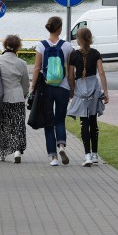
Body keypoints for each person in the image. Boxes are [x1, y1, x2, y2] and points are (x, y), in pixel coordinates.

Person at [31, 16, 74, 166]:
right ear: (60, 28)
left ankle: (53, 157)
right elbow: (70, 71)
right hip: (62, 88)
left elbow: (37, 68)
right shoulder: (67, 46)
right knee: (60, 119)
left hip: (46, 88)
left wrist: (32, 87)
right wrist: (71, 88)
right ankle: (61, 145)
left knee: (48, 121)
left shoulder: (41, 46)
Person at [0, 35, 30, 163]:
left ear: (5, 45)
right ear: (18, 47)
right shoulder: (22, 63)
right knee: (18, 125)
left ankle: (1, 153)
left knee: (1, 125)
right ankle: (17, 151)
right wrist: (24, 94)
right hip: (17, 98)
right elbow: (26, 83)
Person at [67, 28, 109, 167]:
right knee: (93, 122)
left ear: (78, 39)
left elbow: (71, 76)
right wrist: (105, 91)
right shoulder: (96, 53)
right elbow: (101, 73)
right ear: (90, 38)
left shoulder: (73, 55)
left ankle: (87, 155)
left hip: (80, 89)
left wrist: (72, 91)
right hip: (93, 89)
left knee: (83, 122)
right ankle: (95, 154)